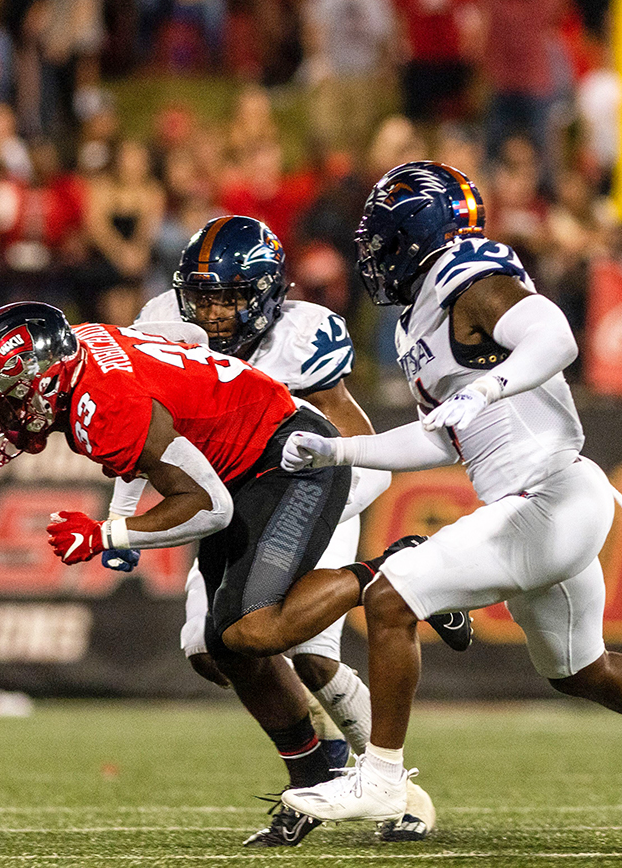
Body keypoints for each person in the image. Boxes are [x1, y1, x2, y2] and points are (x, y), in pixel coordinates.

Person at [277, 162, 622, 838]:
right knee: (579, 669)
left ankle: (383, 778)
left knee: (391, 596)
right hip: (547, 502)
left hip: (549, 496)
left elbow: (556, 338)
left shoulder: (470, 278)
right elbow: (439, 439)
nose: (376, 257)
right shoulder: (413, 324)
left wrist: (490, 384)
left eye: (386, 240)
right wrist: (339, 451)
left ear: (422, 234)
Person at [0, 300, 463, 847]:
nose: (0, 410)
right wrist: (121, 516)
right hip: (242, 463)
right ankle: (315, 777)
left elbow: (206, 505)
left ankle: (396, 567)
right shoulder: (84, 352)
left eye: (8, 395)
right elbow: (157, 428)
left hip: (285, 459)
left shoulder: (104, 400)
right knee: (223, 647)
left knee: (256, 629)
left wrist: (110, 534)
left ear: (48, 379)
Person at [108, 215, 454, 845]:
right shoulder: (161, 322)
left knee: (304, 651)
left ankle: (394, 787)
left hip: (314, 489)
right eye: (204, 297)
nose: (214, 316)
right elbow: (142, 431)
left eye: (232, 298)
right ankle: (322, 769)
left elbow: (360, 446)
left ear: (267, 295)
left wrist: (306, 517)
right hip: (231, 498)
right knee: (210, 648)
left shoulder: (300, 338)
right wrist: (120, 514)